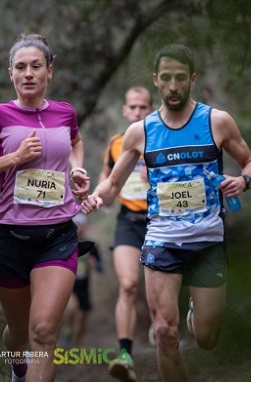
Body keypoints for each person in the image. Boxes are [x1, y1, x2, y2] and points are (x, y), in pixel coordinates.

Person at [80, 44, 251, 381]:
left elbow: (249, 160)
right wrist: (97, 198)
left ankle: (195, 315)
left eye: (180, 78)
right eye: (167, 78)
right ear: (156, 81)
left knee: (207, 337)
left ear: (192, 79)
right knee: (164, 332)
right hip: (162, 240)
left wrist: (243, 180)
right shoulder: (140, 132)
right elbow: (113, 184)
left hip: (207, 242)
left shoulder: (216, 121)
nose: (173, 86)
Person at [0, 33, 90, 382]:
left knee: (44, 332)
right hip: (10, 238)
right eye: (20, 67)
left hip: (57, 236)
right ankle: (19, 369)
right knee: (18, 336)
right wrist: (13, 159)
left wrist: (77, 168)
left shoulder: (64, 112)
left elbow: (75, 141)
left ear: (50, 72)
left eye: (36, 66)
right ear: (10, 74)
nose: (28, 73)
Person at [99, 86, 155, 381]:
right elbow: (105, 180)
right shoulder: (116, 143)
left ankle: (162, 325)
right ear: (124, 110)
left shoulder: (161, 138)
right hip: (128, 221)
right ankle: (125, 356)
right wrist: (100, 195)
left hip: (162, 221)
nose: (136, 112)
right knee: (129, 285)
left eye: (142, 107)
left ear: (150, 109)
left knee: (155, 290)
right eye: (132, 107)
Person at [60, 213, 102, 347]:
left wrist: (94, 264)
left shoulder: (91, 246)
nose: (79, 227)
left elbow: (101, 268)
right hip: (68, 285)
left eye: (81, 224)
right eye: (76, 224)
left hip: (84, 287)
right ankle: (66, 331)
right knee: (72, 308)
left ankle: (75, 347)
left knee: (82, 319)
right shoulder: (64, 244)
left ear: (85, 226)